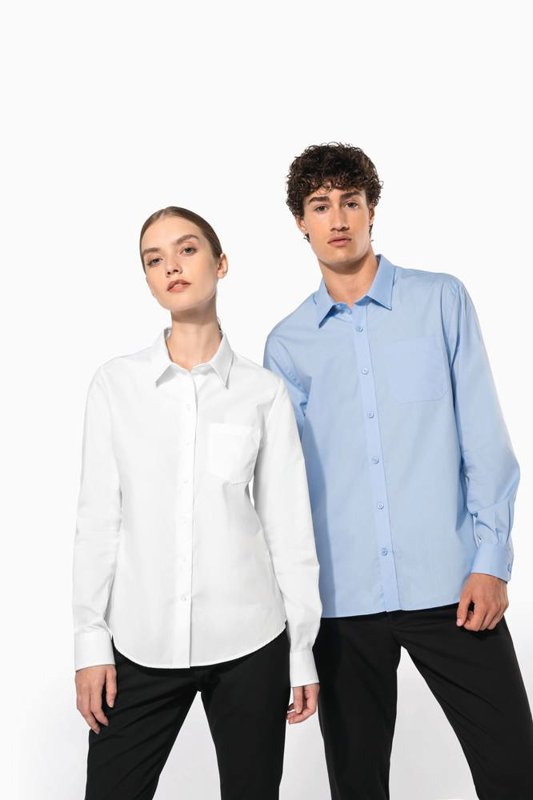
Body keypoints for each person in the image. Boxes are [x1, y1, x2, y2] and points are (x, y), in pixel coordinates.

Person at [263, 142, 533, 800]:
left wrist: (491, 559)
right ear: (300, 222)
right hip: (342, 603)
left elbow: (484, 439)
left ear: (371, 210)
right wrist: (293, 619)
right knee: (357, 786)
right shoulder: (287, 344)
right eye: (320, 205)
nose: (337, 218)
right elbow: (283, 492)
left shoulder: (440, 301)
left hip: (453, 586)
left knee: (515, 769)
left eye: (349, 202)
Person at [73, 206, 321, 800]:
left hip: (250, 642)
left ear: (220, 263)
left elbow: (288, 529)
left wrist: (301, 652)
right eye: (153, 259)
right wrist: (89, 643)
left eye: (186, 250)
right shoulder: (115, 385)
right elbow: (98, 521)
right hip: (141, 641)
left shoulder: (263, 393)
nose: (171, 267)